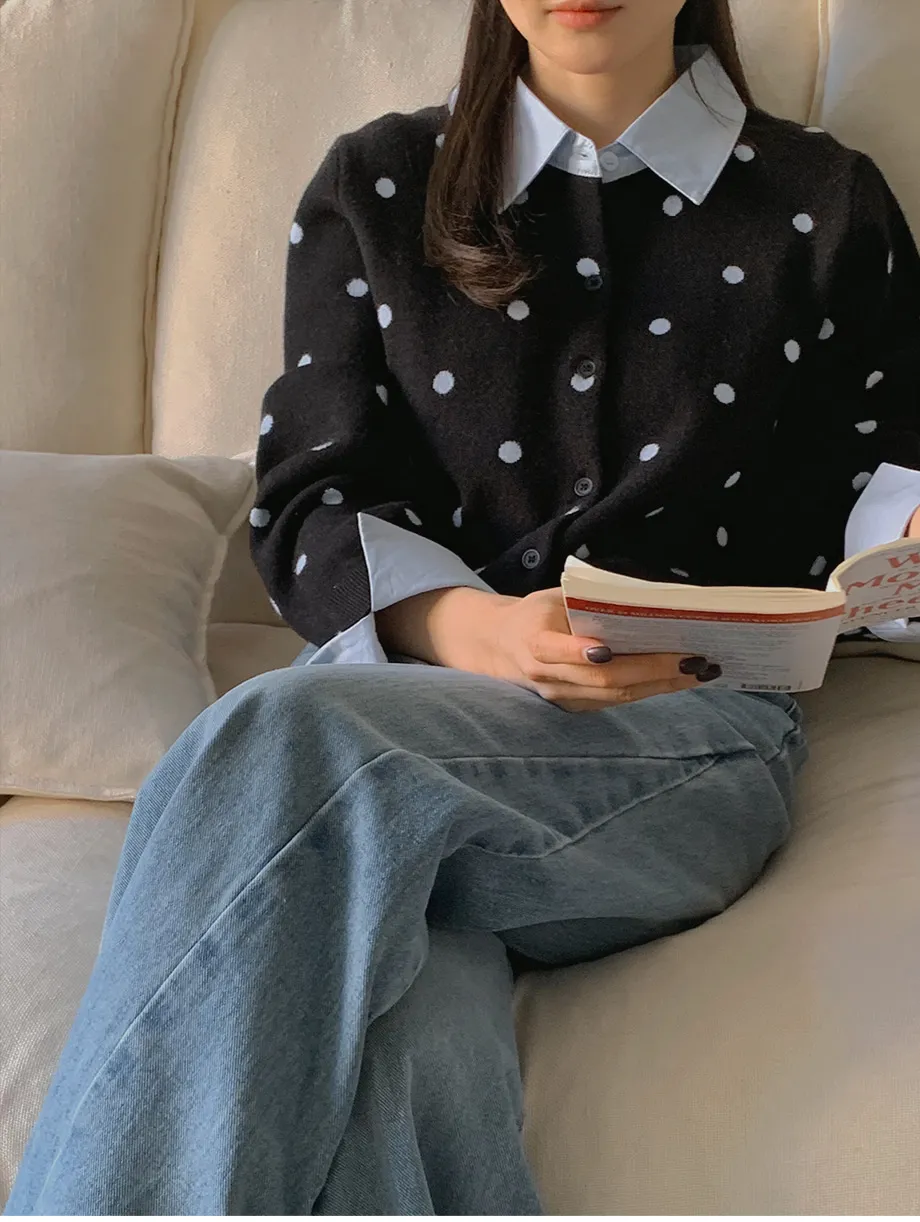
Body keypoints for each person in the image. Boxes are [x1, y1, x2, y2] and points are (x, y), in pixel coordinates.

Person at [7, 0, 920, 1214]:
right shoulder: (376, 184)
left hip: (688, 739)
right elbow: (312, 496)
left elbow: (880, 477)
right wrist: (478, 631)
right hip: (406, 709)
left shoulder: (822, 201)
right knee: (407, 1025)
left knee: (279, 742)